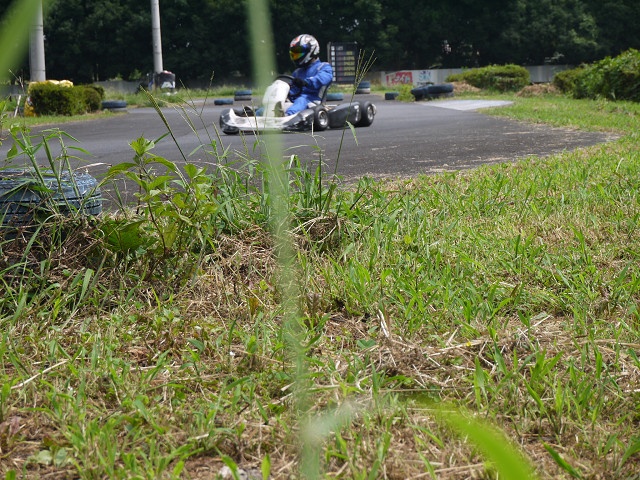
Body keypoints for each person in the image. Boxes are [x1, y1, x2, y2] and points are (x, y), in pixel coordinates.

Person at [285, 34, 333, 116]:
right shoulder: (297, 72)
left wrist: (306, 82)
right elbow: (293, 90)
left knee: (301, 100)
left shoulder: (324, 67)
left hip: (312, 101)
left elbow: (322, 79)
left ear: (312, 50)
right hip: (295, 101)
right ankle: (262, 115)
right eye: (294, 53)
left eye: (298, 52)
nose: (296, 56)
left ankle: (287, 116)